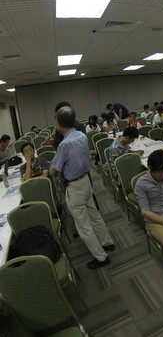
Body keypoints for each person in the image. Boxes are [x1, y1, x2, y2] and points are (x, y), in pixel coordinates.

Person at [49, 106, 115, 269]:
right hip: (86, 180)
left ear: (59, 124)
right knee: (95, 215)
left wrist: (50, 166)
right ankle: (107, 242)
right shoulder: (81, 135)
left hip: (74, 187)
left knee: (83, 226)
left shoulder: (64, 144)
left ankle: (101, 257)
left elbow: (53, 171)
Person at [134, 150, 163, 281]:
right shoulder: (141, 184)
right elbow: (145, 211)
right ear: (150, 168)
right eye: (160, 172)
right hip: (153, 220)